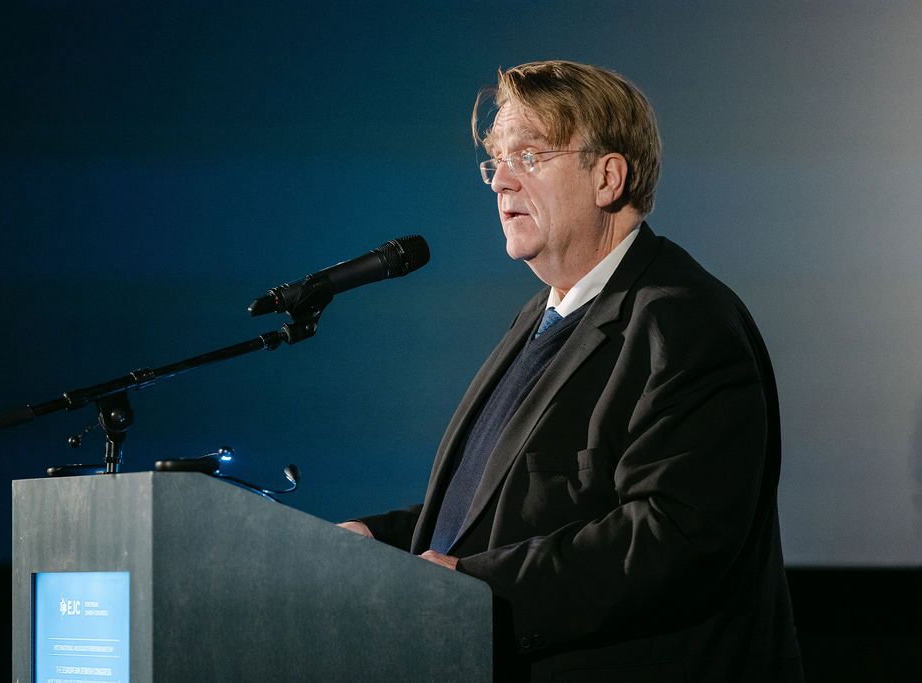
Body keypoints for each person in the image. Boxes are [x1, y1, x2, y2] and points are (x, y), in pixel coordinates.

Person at [339, 60, 803, 681]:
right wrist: (380, 543)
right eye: (495, 161)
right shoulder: (544, 313)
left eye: (529, 156)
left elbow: (675, 535)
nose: (501, 182)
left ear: (607, 177)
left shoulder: (682, 321)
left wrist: (478, 585)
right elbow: (509, 505)